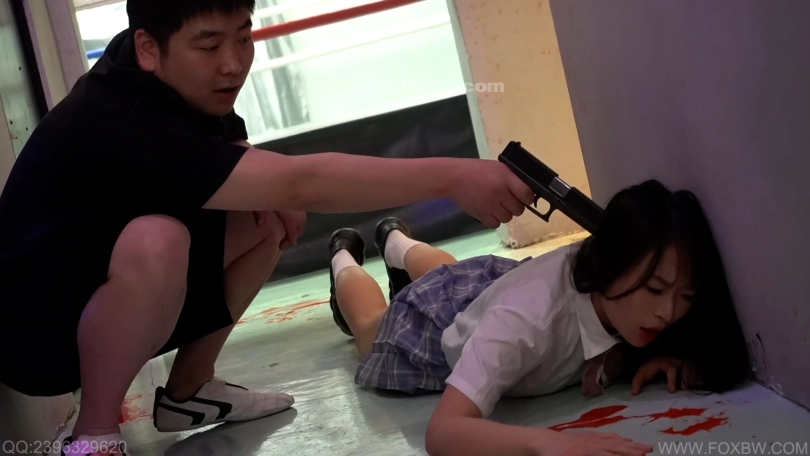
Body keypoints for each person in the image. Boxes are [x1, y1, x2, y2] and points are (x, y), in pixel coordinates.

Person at [0, 1, 535, 455]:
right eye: (209, 46)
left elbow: (246, 160)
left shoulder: (153, 62)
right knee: (162, 239)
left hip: (92, 287)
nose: (233, 64)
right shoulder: (124, 116)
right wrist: (454, 176)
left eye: (243, 37)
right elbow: (299, 183)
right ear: (149, 48)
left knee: (266, 213)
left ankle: (189, 391)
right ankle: (92, 436)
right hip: (32, 335)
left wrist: (252, 161)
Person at [327, 179, 751, 456]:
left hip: (491, 289)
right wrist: (546, 444)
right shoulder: (524, 321)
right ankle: (343, 254)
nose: (668, 312)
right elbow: (443, 433)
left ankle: (395, 238)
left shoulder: (623, 294)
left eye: (685, 296)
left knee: (449, 274)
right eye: (655, 290)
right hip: (437, 329)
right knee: (370, 327)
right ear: (609, 263)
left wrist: (659, 358)